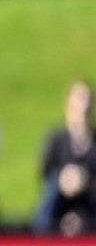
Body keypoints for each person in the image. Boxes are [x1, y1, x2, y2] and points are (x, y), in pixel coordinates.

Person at [32, 81, 96, 236]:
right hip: (59, 203)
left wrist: (84, 180)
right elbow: (45, 173)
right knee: (53, 188)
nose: (83, 107)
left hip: (90, 203)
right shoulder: (57, 139)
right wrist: (65, 179)